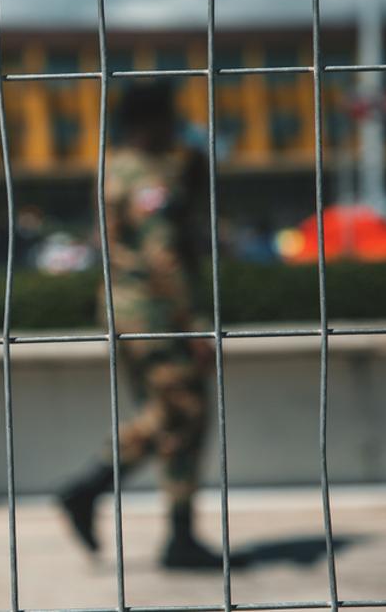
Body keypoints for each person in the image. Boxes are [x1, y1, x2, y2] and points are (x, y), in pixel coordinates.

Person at [57, 80, 224, 569]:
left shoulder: (116, 167)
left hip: (127, 311)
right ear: (149, 123)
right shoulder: (148, 177)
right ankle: (90, 488)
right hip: (156, 314)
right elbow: (162, 252)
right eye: (170, 117)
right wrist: (193, 321)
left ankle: (178, 533)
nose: (177, 126)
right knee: (181, 411)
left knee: (178, 416)